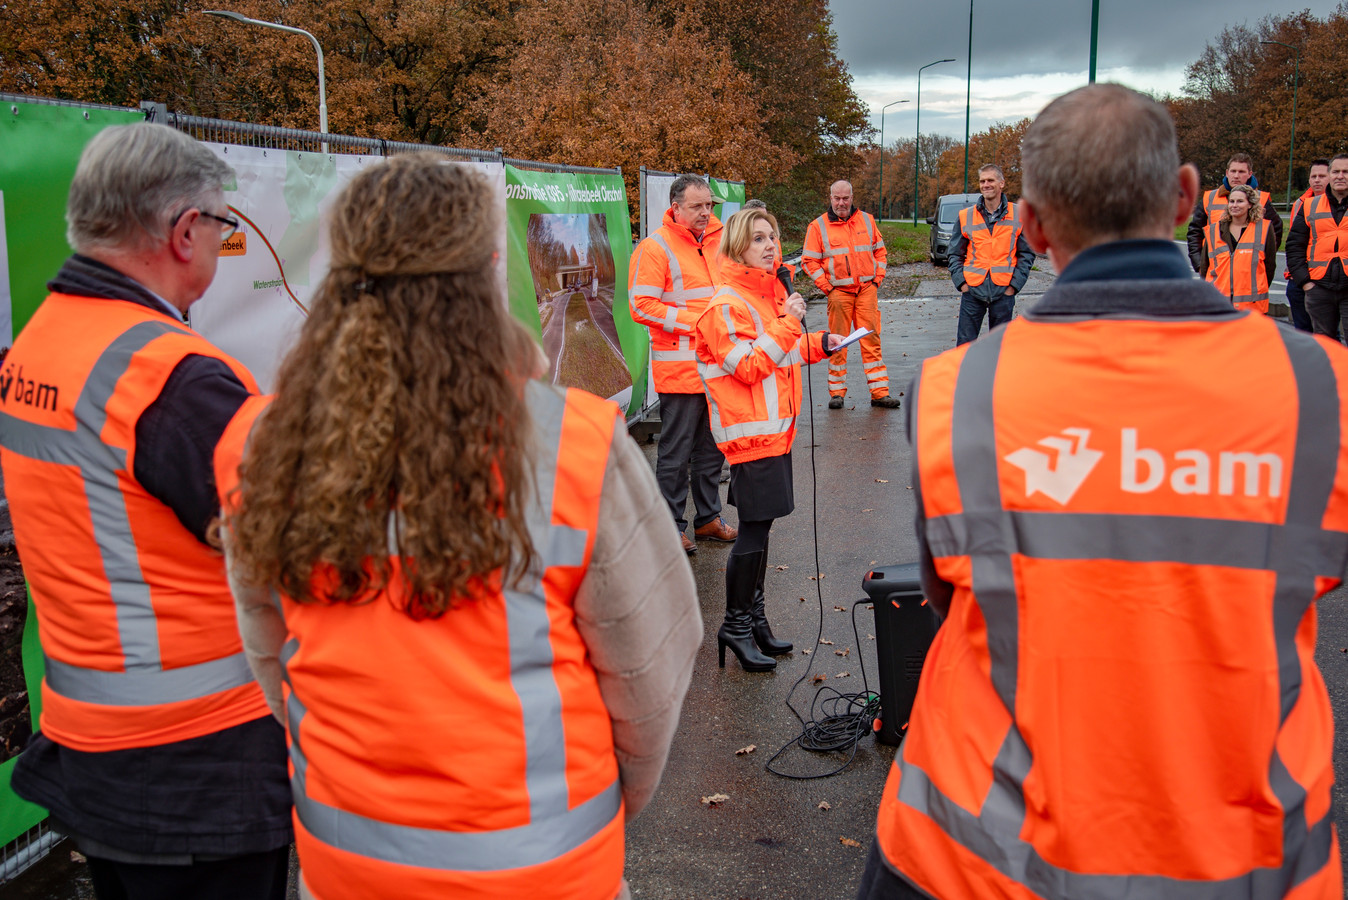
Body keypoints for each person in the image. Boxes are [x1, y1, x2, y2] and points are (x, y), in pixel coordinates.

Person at [859, 84, 1344, 900]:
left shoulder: (957, 391)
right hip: (1243, 853)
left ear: (1032, 224)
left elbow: (951, 597)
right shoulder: (1318, 390)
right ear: (1187, 195)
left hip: (978, 849)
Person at [219, 156, 701, 900]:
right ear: (484, 273)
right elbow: (651, 666)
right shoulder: (575, 445)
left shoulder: (268, 444)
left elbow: (268, 650)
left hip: (347, 863)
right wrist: (608, 798)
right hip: (540, 868)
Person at [0, 124, 291, 898]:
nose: (219, 244)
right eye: (223, 228)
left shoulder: (40, 343)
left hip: (95, 751)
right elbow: (293, 535)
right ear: (182, 230)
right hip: (201, 764)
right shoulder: (170, 378)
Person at [695, 209, 841, 671]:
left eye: (773, 237)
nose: (770, 245)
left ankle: (754, 619)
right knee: (753, 533)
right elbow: (750, 365)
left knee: (763, 529)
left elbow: (782, 351)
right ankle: (735, 626)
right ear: (738, 247)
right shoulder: (725, 305)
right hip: (751, 437)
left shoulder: (764, 296)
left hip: (774, 434)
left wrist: (821, 343)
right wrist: (790, 322)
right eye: (758, 239)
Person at [629, 174, 736, 553]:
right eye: (697, 206)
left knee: (711, 450)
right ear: (676, 208)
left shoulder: (721, 241)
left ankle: (707, 519)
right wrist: (698, 322)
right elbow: (641, 305)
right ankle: (669, 528)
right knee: (675, 455)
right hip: (680, 370)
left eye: (709, 205)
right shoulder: (654, 248)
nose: (706, 212)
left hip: (718, 366)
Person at [801, 180, 901, 409]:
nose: (841, 203)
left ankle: (880, 393)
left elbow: (880, 252)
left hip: (866, 289)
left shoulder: (867, 220)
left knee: (871, 341)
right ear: (830, 198)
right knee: (837, 342)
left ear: (852, 197)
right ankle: (837, 394)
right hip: (838, 293)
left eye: (845, 198)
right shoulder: (818, 226)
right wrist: (827, 287)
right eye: (836, 198)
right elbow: (809, 261)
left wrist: (876, 281)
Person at [947, 163, 1035, 344]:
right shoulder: (966, 215)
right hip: (972, 291)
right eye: (982, 181)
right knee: (965, 347)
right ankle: (967, 374)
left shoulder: (1019, 214)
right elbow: (954, 254)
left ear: (1001, 183)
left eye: (990, 180)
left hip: (1003, 291)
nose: (985, 185)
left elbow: (1027, 254)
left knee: (999, 348)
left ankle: (994, 374)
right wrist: (962, 283)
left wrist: (1014, 286)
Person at [1186, 152, 1282, 273]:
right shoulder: (1209, 198)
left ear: (1249, 174)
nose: (1236, 176)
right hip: (1215, 268)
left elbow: (1276, 230)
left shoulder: (1261, 199)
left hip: (1247, 270)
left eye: (1241, 172)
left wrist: (1262, 258)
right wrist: (1199, 264)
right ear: (1227, 173)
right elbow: (1194, 233)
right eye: (1233, 171)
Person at [1288, 154, 1348, 343]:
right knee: (1324, 346)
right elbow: (1294, 246)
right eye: (1336, 171)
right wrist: (1305, 282)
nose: (1340, 176)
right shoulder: (1309, 206)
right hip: (1319, 287)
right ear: (1329, 175)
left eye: (1346, 172)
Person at [1198, 183, 1277, 313]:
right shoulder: (1214, 231)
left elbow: (1269, 266)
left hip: (1251, 305)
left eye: (1240, 201)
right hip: (1218, 303)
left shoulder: (1263, 229)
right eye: (1231, 201)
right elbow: (1205, 266)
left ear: (1250, 204)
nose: (1234, 205)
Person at [1284, 158, 1330, 332]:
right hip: (1299, 277)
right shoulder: (1300, 204)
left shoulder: (1339, 204)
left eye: (1322, 176)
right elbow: (1294, 242)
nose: (1316, 180)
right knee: (1302, 332)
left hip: (1326, 278)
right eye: (1313, 176)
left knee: (1327, 332)